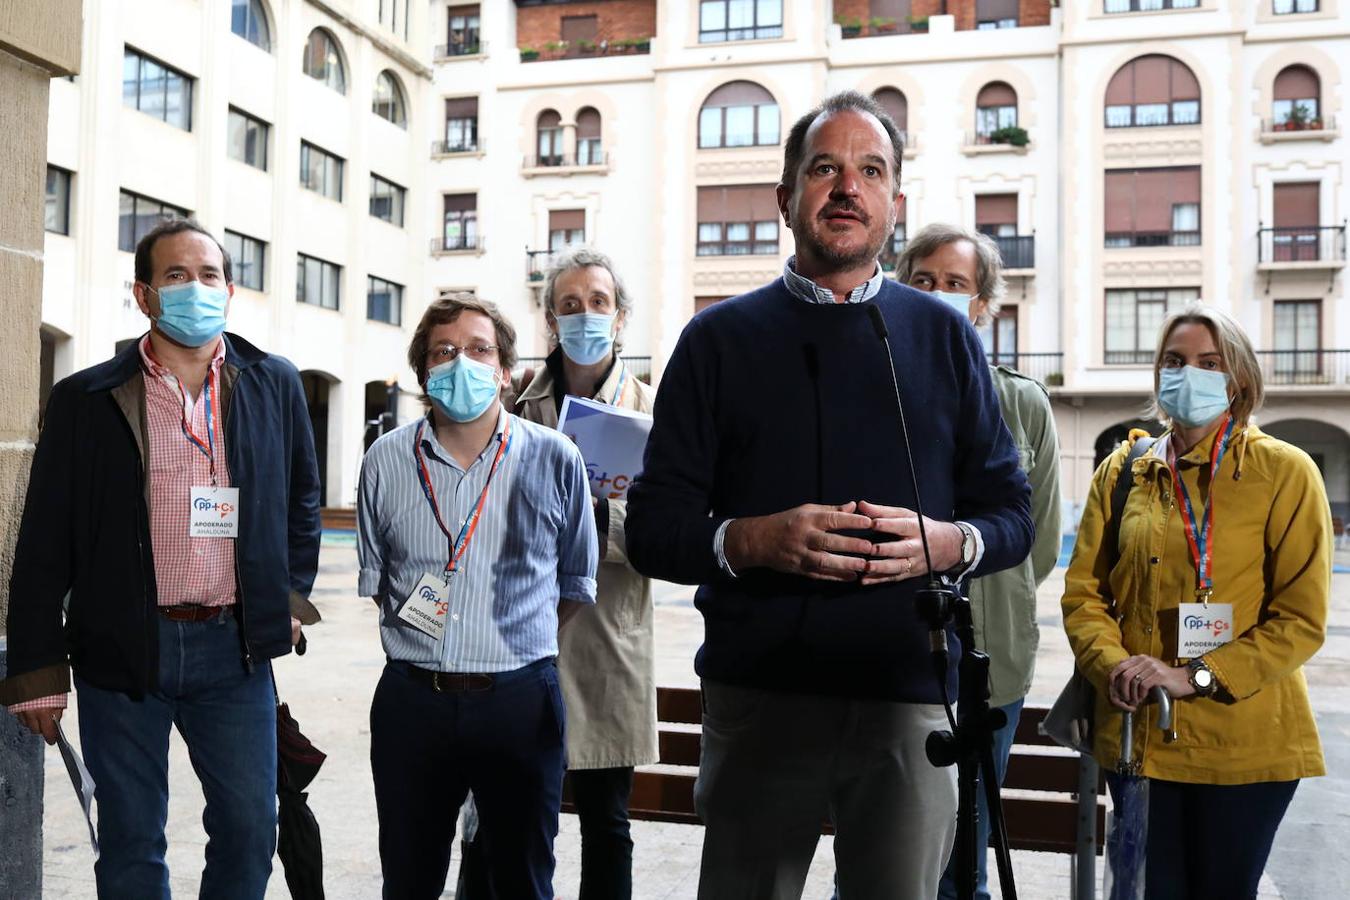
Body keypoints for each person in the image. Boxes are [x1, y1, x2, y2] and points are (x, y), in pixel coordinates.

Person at [625, 91, 1033, 899]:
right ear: (785, 199)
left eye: (870, 170)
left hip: (909, 702)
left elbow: (1013, 516)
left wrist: (950, 544)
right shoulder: (716, 342)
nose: (848, 187)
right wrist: (750, 539)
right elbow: (652, 530)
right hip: (760, 698)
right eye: (825, 168)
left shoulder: (946, 336)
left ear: (894, 204)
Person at [1, 217, 321, 898]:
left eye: (208, 276)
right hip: (123, 650)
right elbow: (44, 539)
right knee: (131, 839)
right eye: (176, 276)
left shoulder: (274, 383)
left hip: (234, 651)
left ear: (230, 290)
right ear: (144, 295)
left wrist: (290, 600)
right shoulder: (86, 399)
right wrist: (35, 666)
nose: (195, 289)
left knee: (248, 829)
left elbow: (301, 502)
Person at [1061, 305, 1329, 899]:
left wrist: (1193, 675)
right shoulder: (1123, 470)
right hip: (1139, 739)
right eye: (1174, 361)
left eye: (1210, 363)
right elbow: (1084, 596)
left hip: (1243, 748)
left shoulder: (1284, 472)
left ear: (1237, 378)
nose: (1191, 374)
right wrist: (1117, 668)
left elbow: (1301, 621)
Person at [357, 293, 598, 899]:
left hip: (521, 701)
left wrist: (511, 646)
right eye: (444, 351)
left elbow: (574, 584)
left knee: (523, 879)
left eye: (479, 349)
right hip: (413, 702)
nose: (461, 361)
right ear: (422, 372)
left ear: (507, 370)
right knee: (409, 881)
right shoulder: (384, 461)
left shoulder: (556, 458)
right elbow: (379, 582)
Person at [895, 223, 1062, 900]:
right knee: (886, 856)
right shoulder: (878, 397)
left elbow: (1040, 541)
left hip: (993, 665)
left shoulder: (1023, 402)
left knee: (967, 859)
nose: (938, 296)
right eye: (923, 282)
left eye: (955, 285)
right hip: (890, 665)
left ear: (983, 305)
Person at [512, 246, 658, 899]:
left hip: (608, 640)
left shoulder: (652, 414)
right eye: (569, 306)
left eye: (598, 303)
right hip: (521, 640)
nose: (584, 316)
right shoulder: (516, 407)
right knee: (514, 815)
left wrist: (592, 517)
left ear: (621, 316)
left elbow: (665, 534)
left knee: (607, 821)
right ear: (550, 320)